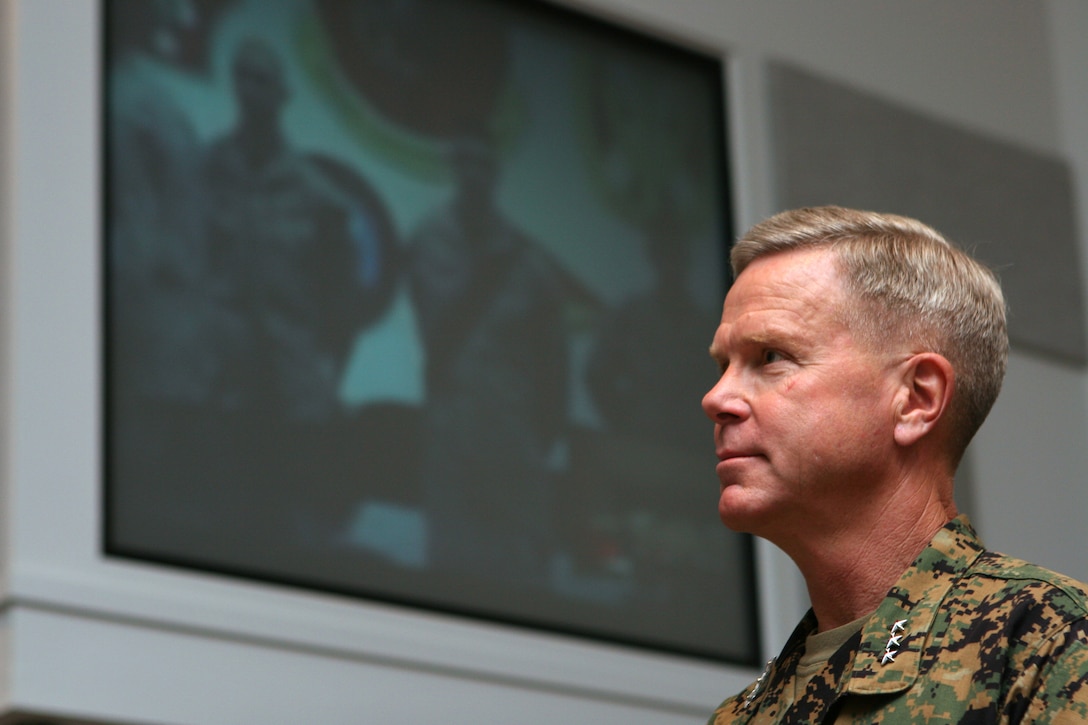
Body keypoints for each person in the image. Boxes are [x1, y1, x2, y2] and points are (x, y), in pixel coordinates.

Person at [702, 206, 1088, 723]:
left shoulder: (1045, 642)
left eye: (771, 356)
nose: (717, 397)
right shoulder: (742, 716)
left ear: (915, 398)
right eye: (723, 365)